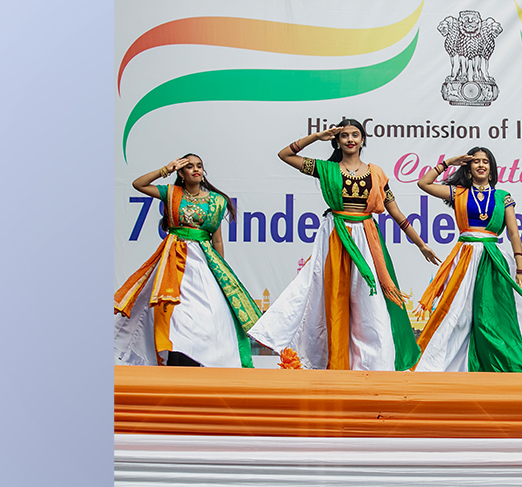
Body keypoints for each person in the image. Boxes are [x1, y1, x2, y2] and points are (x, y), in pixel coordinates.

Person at [246, 119, 441, 370]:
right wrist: (317, 137)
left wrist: (420, 244)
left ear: (363, 140)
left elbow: (397, 213)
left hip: (367, 241)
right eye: (345, 135)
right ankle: (332, 360)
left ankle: (374, 363)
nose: (350, 139)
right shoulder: (326, 169)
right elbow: (285, 154)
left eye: (355, 135)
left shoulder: (377, 174)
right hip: (336, 236)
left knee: (369, 300)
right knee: (329, 295)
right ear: (337, 140)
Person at [410, 147, 522, 372]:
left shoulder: (502, 197)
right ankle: (447, 366)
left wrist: (520, 267)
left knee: (491, 315)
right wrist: (448, 162)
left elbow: (514, 233)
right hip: (463, 259)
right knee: (458, 315)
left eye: (485, 161)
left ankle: (500, 365)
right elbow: (423, 184)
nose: (481, 165)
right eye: (475, 161)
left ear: (491, 170)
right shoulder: (459, 192)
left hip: (493, 259)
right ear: (468, 168)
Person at [114, 153, 262, 367]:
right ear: (181, 174)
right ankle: (173, 357)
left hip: (203, 261)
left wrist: (220, 273)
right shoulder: (171, 193)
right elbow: (138, 184)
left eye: (199, 166)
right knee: (174, 311)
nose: (196, 169)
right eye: (189, 166)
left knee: (209, 313)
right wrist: (166, 168)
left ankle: (206, 359)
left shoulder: (216, 201)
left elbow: (217, 240)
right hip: (172, 260)